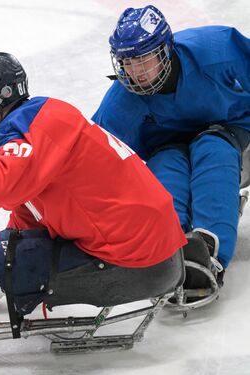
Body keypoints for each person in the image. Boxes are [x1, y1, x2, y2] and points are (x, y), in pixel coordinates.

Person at [0, 52, 187, 339]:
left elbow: (6, 184)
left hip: (136, 263)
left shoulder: (29, 125)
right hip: (154, 254)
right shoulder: (43, 116)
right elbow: (33, 208)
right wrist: (4, 243)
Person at [92, 5, 250, 302]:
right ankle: (167, 253)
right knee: (166, 167)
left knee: (213, 150)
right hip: (169, 146)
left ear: (165, 50)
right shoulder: (122, 102)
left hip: (234, 131)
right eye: (126, 62)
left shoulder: (218, 50)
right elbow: (92, 158)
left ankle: (208, 255)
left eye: (143, 60)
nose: (134, 72)